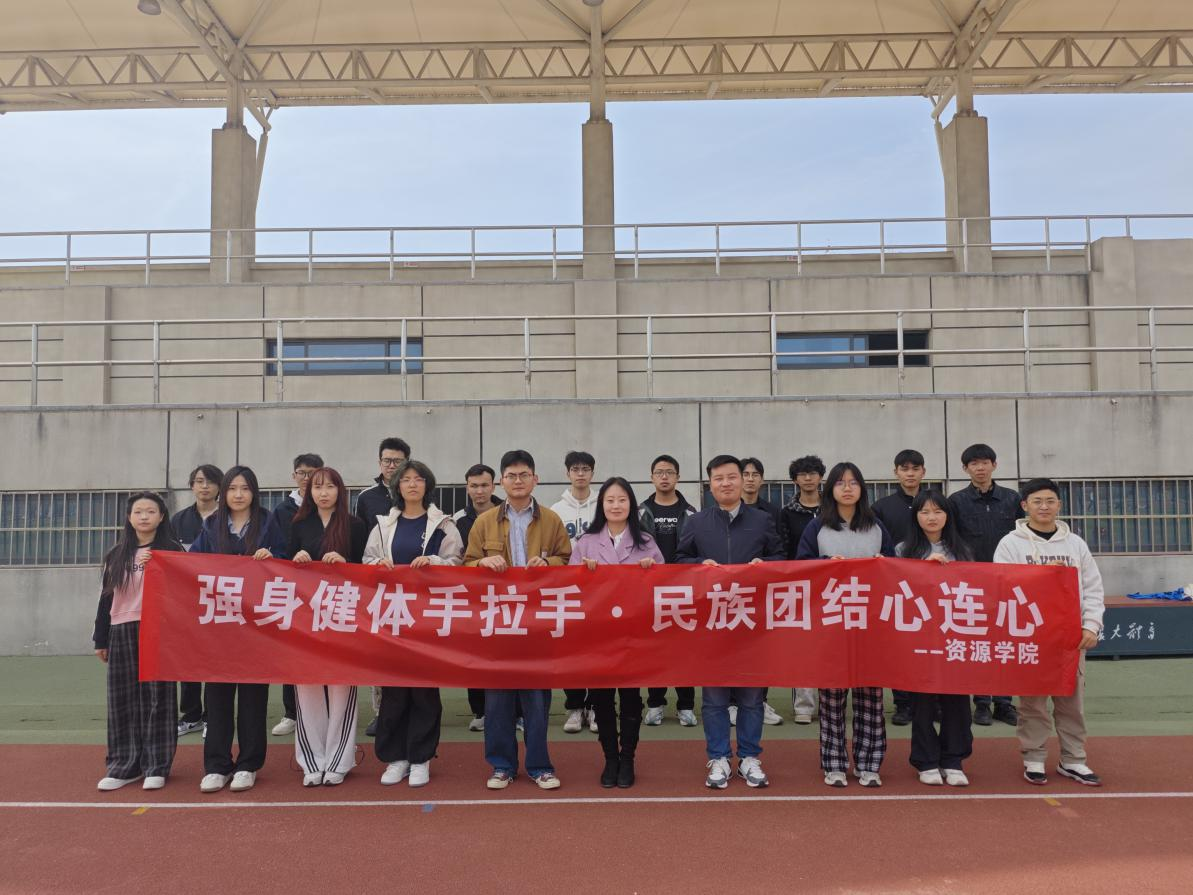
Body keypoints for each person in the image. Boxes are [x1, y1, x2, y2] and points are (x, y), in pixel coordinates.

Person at [465, 449, 572, 791]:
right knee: (497, 700)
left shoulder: (551, 520)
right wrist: (482, 563)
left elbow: (566, 559)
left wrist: (549, 564)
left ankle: (540, 766)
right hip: (498, 622)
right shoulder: (484, 522)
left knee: (537, 700)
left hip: (538, 623)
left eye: (524, 475)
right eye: (511, 476)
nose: (518, 481)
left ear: (535, 479)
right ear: (502, 482)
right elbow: (466, 565)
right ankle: (502, 766)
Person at [676, 454, 783, 789]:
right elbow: (679, 560)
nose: (726, 483)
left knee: (752, 696)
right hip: (712, 622)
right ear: (710, 484)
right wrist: (699, 565)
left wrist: (764, 564)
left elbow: (781, 558)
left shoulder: (762, 520)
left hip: (751, 621)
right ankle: (719, 756)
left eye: (732, 477)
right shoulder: (696, 522)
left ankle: (750, 757)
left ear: (742, 480)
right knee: (714, 698)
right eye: (719, 478)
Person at [995, 478, 1105, 787]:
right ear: (1024, 506)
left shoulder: (1075, 544)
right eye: (1037, 501)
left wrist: (1091, 625)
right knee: (1032, 703)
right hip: (1031, 637)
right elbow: (1002, 585)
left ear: (1059, 505)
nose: (1044, 507)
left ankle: (1073, 759)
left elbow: (1093, 588)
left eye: (1050, 501)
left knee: (1071, 702)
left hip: (1070, 638)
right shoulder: (1010, 544)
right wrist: (1042, 574)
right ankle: (1034, 757)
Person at [363, 459, 463, 788]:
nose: (412, 484)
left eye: (419, 479)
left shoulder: (443, 524)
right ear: (397, 486)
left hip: (427, 620)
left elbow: (457, 563)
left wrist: (433, 562)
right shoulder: (383, 525)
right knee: (393, 691)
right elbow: (366, 561)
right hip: (393, 618)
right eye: (406, 479)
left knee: (423, 691)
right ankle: (396, 758)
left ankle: (421, 758)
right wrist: (377, 564)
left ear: (427, 485)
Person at [796, 461, 894, 788]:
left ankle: (869, 764)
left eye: (853, 482)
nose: (847, 488)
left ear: (862, 488)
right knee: (831, 698)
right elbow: (800, 566)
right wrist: (825, 564)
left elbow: (895, 568)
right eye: (840, 483)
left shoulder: (876, 527)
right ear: (831, 489)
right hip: (831, 623)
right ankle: (834, 763)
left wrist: (884, 565)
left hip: (870, 624)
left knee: (870, 698)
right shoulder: (817, 526)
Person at [191, 466, 286, 794]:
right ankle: (217, 766)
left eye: (245, 488)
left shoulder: (268, 522)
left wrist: (273, 557)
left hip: (256, 627)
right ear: (224, 492)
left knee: (252, 698)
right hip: (220, 626)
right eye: (232, 488)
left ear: (254, 492)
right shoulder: (212, 525)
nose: (239, 494)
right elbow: (191, 564)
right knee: (216, 697)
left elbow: (286, 560)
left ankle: (248, 764)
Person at [570, 477, 664, 788]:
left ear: (631, 505)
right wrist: (582, 573)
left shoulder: (646, 542)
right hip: (598, 635)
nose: (616, 505)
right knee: (601, 697)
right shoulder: (586, 542)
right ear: (602, 505)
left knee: (631, 698)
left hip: (633, 635)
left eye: (622, 500)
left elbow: (665, 587)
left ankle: (628, 757)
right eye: (610, 500)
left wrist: (652, 571)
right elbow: (569, 588)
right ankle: (610, 757)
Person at [93, 492, 183, 791]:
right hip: (121, 629)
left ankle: (157, 765)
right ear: (129, 518)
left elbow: (184, 590)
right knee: (122, 698)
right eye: (138, 511)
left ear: (162, 516)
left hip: (158, 630)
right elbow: (106, 598)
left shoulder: (172, 549)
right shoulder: (116, 554)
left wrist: (160, 564)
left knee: (158, 698)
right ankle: (123, 765)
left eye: (151, 511)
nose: (144, 516)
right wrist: (101, 637)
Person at [288, 467, 369, 786]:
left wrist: (346, 565)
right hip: (305, 618)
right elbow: (282, 569)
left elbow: (367, 570)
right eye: (317, 487)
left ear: (340, 490)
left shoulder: (354, 525)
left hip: (343, 615)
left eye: (330, 487)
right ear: (309, 491)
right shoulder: (298, 524)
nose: (323, 493)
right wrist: (297, 558)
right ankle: (312, 761)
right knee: (306, 685)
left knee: (341, 687)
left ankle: (338, 760)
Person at [897, 490, 975, 787]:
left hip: (954, 635)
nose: (932, 517)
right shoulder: (903, 549)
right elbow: (896, 588)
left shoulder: (963, 549)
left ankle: (953, 759)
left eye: (938, 511)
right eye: (925, 512)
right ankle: (926, 760)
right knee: (923, 702)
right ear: (915, 516)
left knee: (957, 699)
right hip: (919, 637)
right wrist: (923, 569)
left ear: (948, 516)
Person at [948, 443, 1023, 727]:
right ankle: (981, 702)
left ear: (994, 465)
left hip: (1007, 582)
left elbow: (1023, 536)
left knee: (1004, 642)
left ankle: (1004, 703)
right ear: (965, 468)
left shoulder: (1012, 499)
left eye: (985, 462)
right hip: (973, 584)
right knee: (978, 644)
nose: (980, 468)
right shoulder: (956, 501)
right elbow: (952, 540)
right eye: (974, 464)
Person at [354, 437, 410, 737]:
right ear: (379, 463)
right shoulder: (366, 498)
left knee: (410, 650)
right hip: (377, 584)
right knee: (378, 650)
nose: (392, 466)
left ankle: (412, 710)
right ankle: (381, 713)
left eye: (397, 461)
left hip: (411, 587)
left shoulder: (417, 491)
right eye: (387, 461)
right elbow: (360, 538)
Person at [639, 454, 697, 727]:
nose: (664, 476)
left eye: (669, 472)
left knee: (685, 650)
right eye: (659, 472)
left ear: (678, 477)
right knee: (655, 650)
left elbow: (697, 548)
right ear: (651, 477)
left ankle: (686, 705)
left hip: (684, 589)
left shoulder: (691, 512)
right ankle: (655, 703)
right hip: (650, 591)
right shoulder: (640, 512)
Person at [269, 452, 323, 738]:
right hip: (291, 589)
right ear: (294, 476)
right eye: (302, 473)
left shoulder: (328, 505)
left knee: (323, 650)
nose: (307, 478)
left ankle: (322, 710)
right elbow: (278, 548)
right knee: (291, 651)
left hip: (325, 591)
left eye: (313, 473)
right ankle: (292, 712)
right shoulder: (282, 510)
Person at [871, 449, 927, 727]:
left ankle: (929, 701)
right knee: (899, 646)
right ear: (896, 472)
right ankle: (902, 703)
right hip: (895, 586)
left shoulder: (934, 502)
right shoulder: (881, 507)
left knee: (928, 645)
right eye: (905, 468)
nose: (910, 473)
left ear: (923, 472)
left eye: (915, 468)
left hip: (930, 585)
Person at [170, 463, 222, 738]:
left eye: (210, 481)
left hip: (219, 598)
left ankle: (213, 716)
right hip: (187, 599)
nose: (205, 486)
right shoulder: (178, 520)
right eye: (199, 481)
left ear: (219, 487)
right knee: (187, 657)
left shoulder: (228, 518)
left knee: (214, 657)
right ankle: (191, 716)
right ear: (191, 486)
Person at [453, 462, 504, 732]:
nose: (479, 491)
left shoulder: (507, 512)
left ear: (494, 486)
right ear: (467, 488)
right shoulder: (458, 520)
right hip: (473, 598)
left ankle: (515, 713)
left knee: (507, 654)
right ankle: (480, 711)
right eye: (474, 486)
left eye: (484, 485)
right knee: (474, 655)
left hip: (508, 597)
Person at [551, 450, 600, 734]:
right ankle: (574, 707)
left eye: (585, 469)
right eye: (575, 469)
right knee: (570, 651)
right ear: (567, 473)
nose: (580, 474)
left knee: (596, 650)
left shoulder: (602, 506)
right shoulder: (557, 510)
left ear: (592, 473)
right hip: (567, 589)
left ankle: (594, 707)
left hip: (598, 590)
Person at [780, 454, 825, 725]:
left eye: (813, 473)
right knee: (804, 646)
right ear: (795, 480)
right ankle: (804, 706)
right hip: (799, 585)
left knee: (830, 644)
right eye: (802, 474)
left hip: (833, 585)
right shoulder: (786, 513)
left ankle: (830, 703)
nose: (808, 478)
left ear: (821, 476)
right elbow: (784, 548)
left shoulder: (833, 508)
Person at [740, 457, 785, 727]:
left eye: (755, 474)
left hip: (763, 590)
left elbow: (779, 550)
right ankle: (733, 704)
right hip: (730, 592)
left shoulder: (771, 512)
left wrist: (765, 564)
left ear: (762, 479)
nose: (750, 479)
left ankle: (761, 701)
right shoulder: (719, 511)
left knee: (762, 648)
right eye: (745, 474)